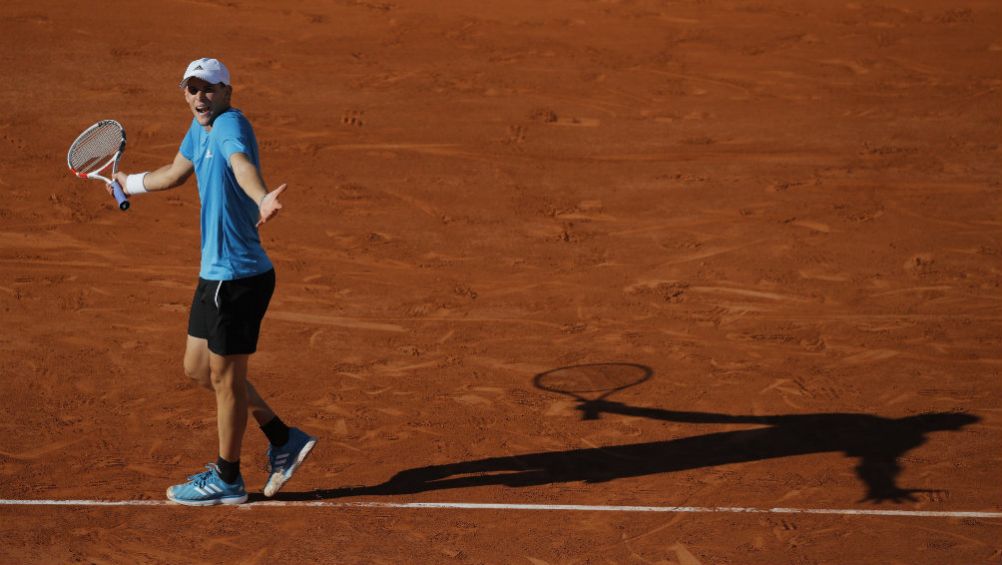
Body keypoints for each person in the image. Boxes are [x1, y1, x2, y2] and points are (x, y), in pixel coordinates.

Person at [111, 57, 317, 506]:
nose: (200, 97)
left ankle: (228, 478)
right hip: (214, 276)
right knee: (198, 370)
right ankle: (283, 438)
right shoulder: (199, 130)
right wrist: (131, 181)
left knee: (225, 379)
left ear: (227, 92)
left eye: (209, 89)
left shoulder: (227, 127)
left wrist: (263, 198)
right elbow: (174, 174)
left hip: (239, 279)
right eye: (192, 88)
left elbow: (240, 164)